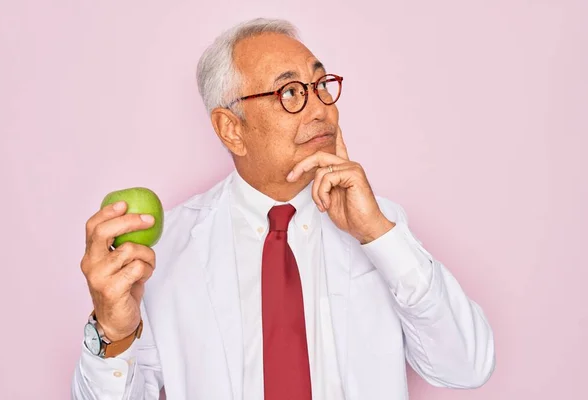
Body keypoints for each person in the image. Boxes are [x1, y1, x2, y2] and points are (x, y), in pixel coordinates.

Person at [72, 18, 495, 400]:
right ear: (231, 129)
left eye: (321, 85)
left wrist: (379, 236)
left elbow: (466, 367)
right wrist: (114, 331)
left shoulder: (381, 226)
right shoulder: (169, 248)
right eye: (291, 92)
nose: (321, 108)